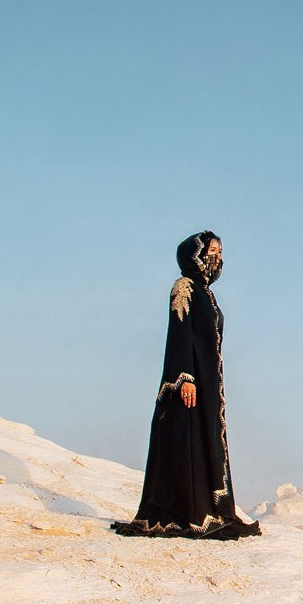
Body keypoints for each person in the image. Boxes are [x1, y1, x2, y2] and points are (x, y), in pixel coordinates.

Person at [113, 231, 261, 540]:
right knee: (186, 438)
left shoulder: (207, 294)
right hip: (189, 381)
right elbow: (179, 333)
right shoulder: (184, 287)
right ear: (195, 254)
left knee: (206, 437)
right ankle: (186, 513)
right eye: (212, 250)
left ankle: (211, 509)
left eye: (220, 252)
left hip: (208, 381)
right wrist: (184, 377)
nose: (218, 257)